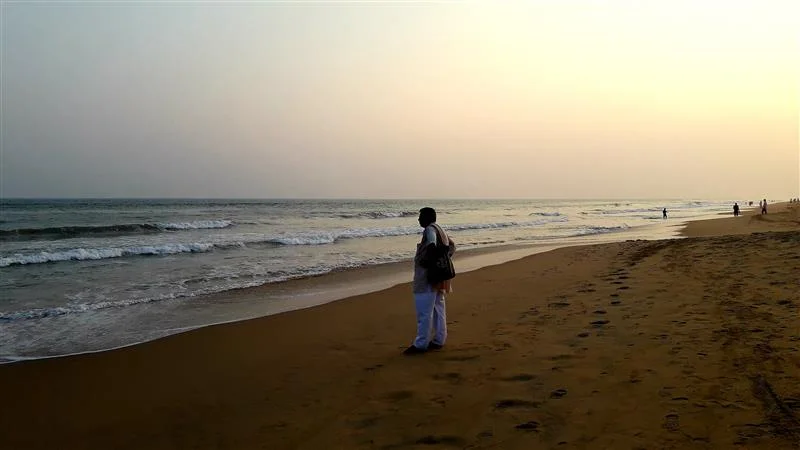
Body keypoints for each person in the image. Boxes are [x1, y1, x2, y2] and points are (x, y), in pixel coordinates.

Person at [404, 207, 456, 355]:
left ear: (427, 218)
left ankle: (420, 344)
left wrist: (428, 261)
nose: (418, 219)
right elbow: (452, 246)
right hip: (439, 278)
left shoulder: (429, 230)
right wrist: (444, 259)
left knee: (424, 312)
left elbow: (432, 243)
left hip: (428, 278)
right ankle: (439, 339)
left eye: (421, 217)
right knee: (439, 308)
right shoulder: (440, 229)